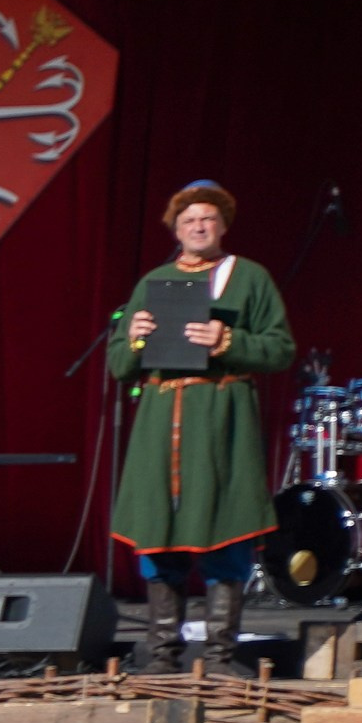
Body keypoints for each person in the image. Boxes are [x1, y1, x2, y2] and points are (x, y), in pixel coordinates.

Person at [107, 180, 295, 676]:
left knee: (226, 531)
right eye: (189, 220)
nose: (198, 226)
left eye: (207, 219)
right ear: (176, 228)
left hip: (220, 418)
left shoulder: (249, 278)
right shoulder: (153, 281)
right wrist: (135, 340)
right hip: (160, 421)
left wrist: (227, 339)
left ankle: (221, 657)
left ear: (223, 226)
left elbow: (280, 349)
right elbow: (119, 364)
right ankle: (162, 657)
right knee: (159, 533)